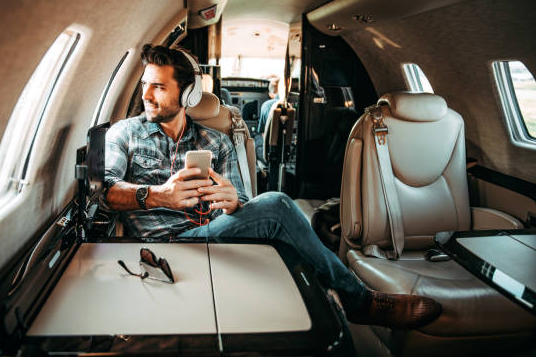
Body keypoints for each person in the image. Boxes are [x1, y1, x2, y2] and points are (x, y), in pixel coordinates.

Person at [104, 44, 442, 329]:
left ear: (188, 92)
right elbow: (103, 191)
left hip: (210, 233)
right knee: (279, 206)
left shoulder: (216, 142)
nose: (146, 95)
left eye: (159, 87)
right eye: (146, 85)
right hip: (156, 244)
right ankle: (359, 301)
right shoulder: (124, 134)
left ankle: (320, 313)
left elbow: (246, 205)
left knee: (280, 226)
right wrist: (157, 195)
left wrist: (233, 201)